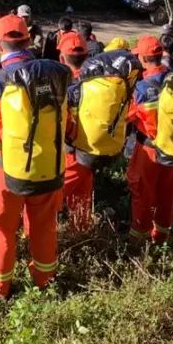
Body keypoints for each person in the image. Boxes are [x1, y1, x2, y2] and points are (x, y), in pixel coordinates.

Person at [0, 14, 65, 298]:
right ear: (27, 40)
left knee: (2, 229)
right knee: (44, 226)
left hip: (6, 169)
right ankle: (45, 282)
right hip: (48, 163)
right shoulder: (54, 74)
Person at [126, 35, 173, 243]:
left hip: (149, 150)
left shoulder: (141, 89)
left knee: (142, 192)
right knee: (167, 193)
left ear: (142, 58)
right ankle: (161, 237)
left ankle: (138, 239)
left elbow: (128, 116)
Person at [60, 32, 99, 232]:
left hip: (70, 150)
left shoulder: (61, 86)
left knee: (53, 195)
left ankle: (36, 235)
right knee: (82, 195)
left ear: (61, 58)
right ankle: (81, 231)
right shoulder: (98, 82)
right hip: (91, 148)